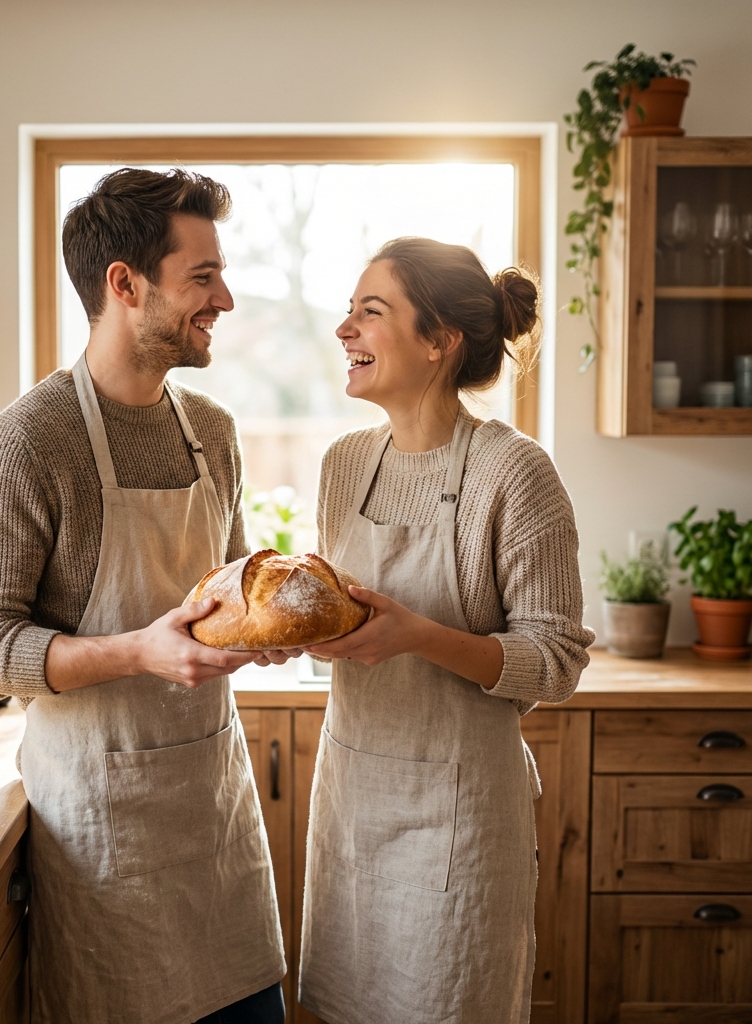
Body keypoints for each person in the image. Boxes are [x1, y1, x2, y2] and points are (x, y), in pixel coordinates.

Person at [0, 168, 286, 1024]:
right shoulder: (25, 443)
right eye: (201, 277)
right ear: (124, 284)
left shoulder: (213, 432)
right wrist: (140, 651)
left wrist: (266, 623)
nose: (226, 299)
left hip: (213, 819)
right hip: (103, 839)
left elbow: (226, 588)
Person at [296, 238, 595, 1023]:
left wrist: (417, 635)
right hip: (353, 809)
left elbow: (556, 662)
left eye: (370, 311)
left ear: (439, 341)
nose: (344, 329)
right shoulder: (343, 464)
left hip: (461, 823)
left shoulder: (515, 473)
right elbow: (345, 615)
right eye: (348, 309)